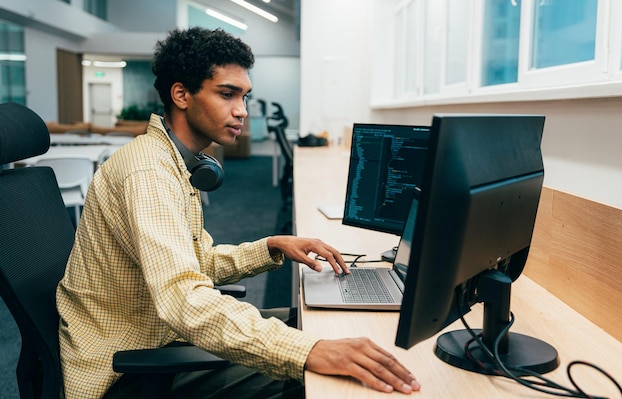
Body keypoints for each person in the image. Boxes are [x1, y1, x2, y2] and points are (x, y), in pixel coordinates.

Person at [56, 27, 421, 399]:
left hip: (161, 335)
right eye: (227, 94)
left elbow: (196, 264)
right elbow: (184, 299)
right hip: (130, 367)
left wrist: (271, 247)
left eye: (244, 97)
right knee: (316, 374)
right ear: (180, 94)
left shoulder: (173, 160)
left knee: (306, 327)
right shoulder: (149, 173)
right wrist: (309, 352)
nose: (241, 111)